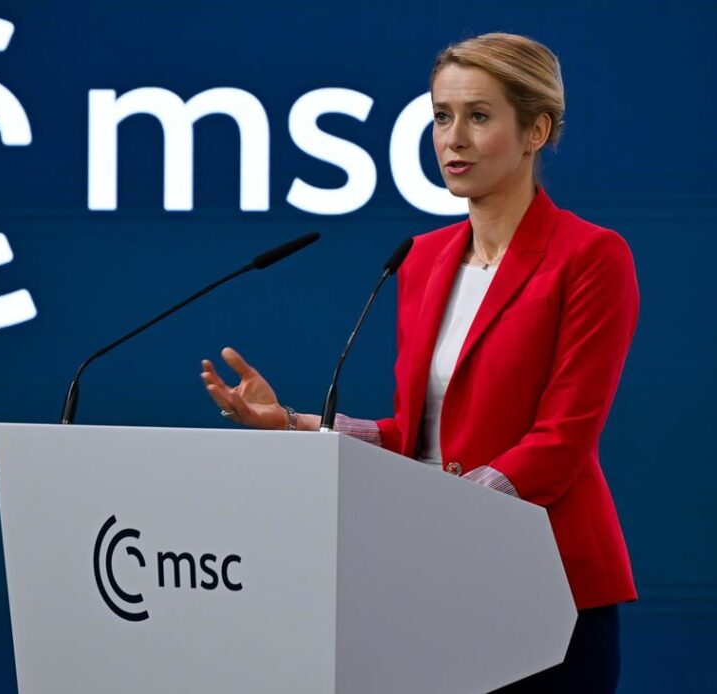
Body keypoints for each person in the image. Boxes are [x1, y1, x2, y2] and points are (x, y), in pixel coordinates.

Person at [201, 33, 637, 693]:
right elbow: (414, 437)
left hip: (548, 585)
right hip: (433, 586)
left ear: (537, 131)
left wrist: (443, 517)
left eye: (479, 116)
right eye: (441, 116)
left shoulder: (590, 256)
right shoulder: (422, 259)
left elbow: (563, 439)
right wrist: (293, 424)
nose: (452, 139)